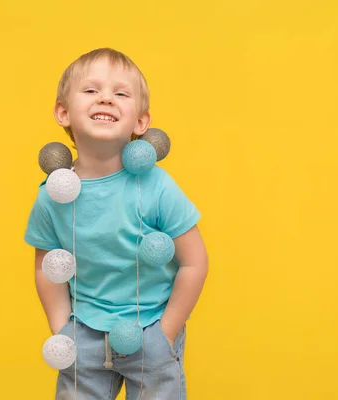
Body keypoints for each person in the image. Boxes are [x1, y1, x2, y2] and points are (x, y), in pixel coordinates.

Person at [24, 48, 209, 399]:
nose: (106, 98)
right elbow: (46, 267)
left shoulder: (157, 186)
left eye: (120, 93)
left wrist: (166, 331)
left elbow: (194, 261)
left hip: (151, 328)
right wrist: (62, 328)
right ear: (63, 112)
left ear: (140, 122)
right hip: (84, 335)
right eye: (91, 91)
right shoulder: (53, 194)